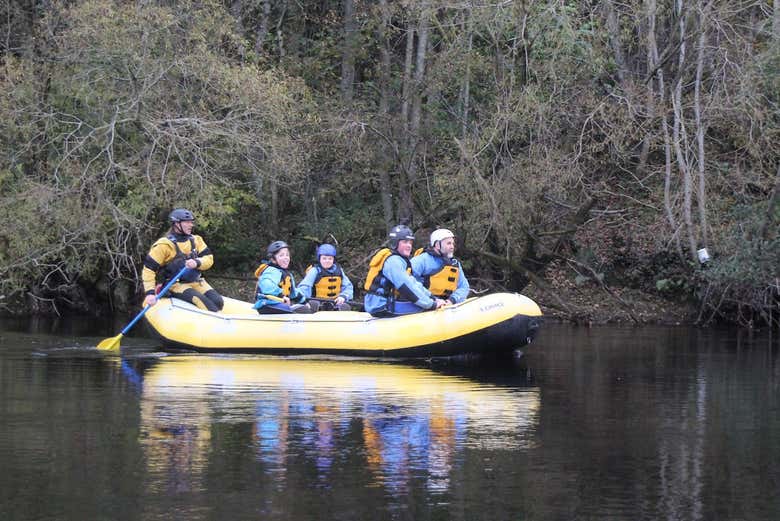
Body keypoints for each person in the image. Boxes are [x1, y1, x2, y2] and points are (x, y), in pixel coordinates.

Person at [142, 208, 224, 312]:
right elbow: (148, 269)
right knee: (205, 304)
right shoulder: (164, 245)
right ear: (176, 224)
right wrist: (149, 293)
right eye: (187, 222)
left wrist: (197, 262)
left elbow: (209, 259)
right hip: (175, 284)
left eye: (191, 222)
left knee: (218, 302)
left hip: (196, 281)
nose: (191, 225)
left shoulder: (196, 240)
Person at [363, 225, 449, 316]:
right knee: (424, 308)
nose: (409, 246)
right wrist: (432, 305)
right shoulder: (393, 261)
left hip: (383, 303)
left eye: (410, 243)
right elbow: (407, 288)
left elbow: (414, 284)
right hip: (380, 306)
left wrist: (433, 298)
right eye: (405, 242)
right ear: (395, 243)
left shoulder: (398, 260)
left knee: (422, 303)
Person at [411, 228, 470, 304]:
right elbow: (409, 282)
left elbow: (464, 287)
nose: (452, 247)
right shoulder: (420, 261)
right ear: (437, 245)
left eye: (453, 243)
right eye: (448, 243)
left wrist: (452, 300)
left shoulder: (454, 264)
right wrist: (433, 300)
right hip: (426, 304)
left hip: (446, 304)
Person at [253, 240, 313, 314]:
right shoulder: (271, 271)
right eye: (281, 255)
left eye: (287, 255)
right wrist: (281, 296)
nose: (286, 258)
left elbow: (293, 293)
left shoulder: (287, 274)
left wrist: (304, 301)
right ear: (273, 259)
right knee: (296, 309)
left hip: (280, 305)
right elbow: (267, 286)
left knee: (313, 304)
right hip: (266, 305)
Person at [298, 244, 355, 311]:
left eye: (330, 259)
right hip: (318, 302)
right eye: (324, 258)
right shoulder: (315, 271)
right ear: (319, 259)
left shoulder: (339, 271)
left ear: (333, 259)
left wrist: (343, 296)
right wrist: (302, 300)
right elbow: (305, 287)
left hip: (335, 302)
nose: (327, 261)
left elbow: (348, 286)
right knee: (313, 304)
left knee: (345, 306)